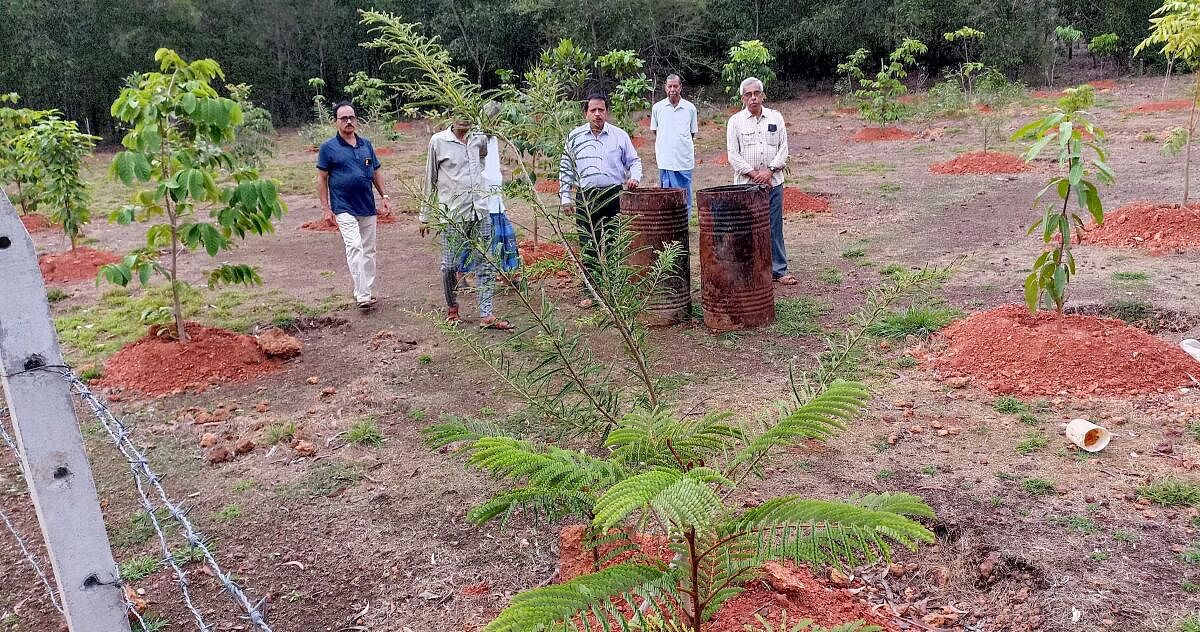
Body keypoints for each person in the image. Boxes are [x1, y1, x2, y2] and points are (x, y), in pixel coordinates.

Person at [419, 118, 512, 329]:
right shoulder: (438, 141)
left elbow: (482, 159)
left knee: (486, 262)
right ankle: (452, 309)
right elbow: (430, 179)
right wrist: (424, 216)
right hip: (453, 215)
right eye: (459, 113)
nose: (464, 119)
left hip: (480, 211)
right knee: (450, 265)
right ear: (451, 115)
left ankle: (486, 314)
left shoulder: (478, 139)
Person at [559, 93, 643, 308]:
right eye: (593, 110)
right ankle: (593, 291)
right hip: (587, 198)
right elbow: (566, 167)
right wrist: (566, 197)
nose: (597, 114)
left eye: (601, 110)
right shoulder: (575, 137)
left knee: (615, 242)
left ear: (607, 112)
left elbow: (634, 161)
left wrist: (634, 178)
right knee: (590, 245)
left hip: (614, 195)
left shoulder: (619, 135)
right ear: (586, 112)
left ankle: (615, 289)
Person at [317, 101, 391, 309]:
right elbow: (322, 179)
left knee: (369, 249)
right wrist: (326, 208)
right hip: (343, 207)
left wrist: (385, 196)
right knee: (355, 247)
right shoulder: (328, 148)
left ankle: (366, 289)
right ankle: (363, 295)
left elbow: (376, 172)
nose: (349, 121)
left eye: (352, 117)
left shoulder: (366, 144)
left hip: (367, 206)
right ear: (336, 122)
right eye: (344, 118)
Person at [726, 77, 796, 285]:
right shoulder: (735, 122)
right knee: (745, 227)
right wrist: (755, 174)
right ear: (742, 98)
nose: (753, 98)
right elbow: (733, 154)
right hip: (745, 187)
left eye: (756, 93)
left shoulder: (775, 117)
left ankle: (779, 270)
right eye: (748, 94)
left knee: (774, 227)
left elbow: (784, 149)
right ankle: (749, 270)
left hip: (773, 183)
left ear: (763, 95)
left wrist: (770, 170)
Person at [651, 74, 698, 218]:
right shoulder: (658, 108)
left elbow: (692, 133)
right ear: (665, 88)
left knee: (684, 192)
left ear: (680, 87)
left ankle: (685, 220)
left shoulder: (690, 108)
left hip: (683, 159)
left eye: (675, 86)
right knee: (666, 192)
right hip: (665, 160)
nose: (672, 89)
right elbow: (655, 130)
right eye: (669, 86)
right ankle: (668, 221)